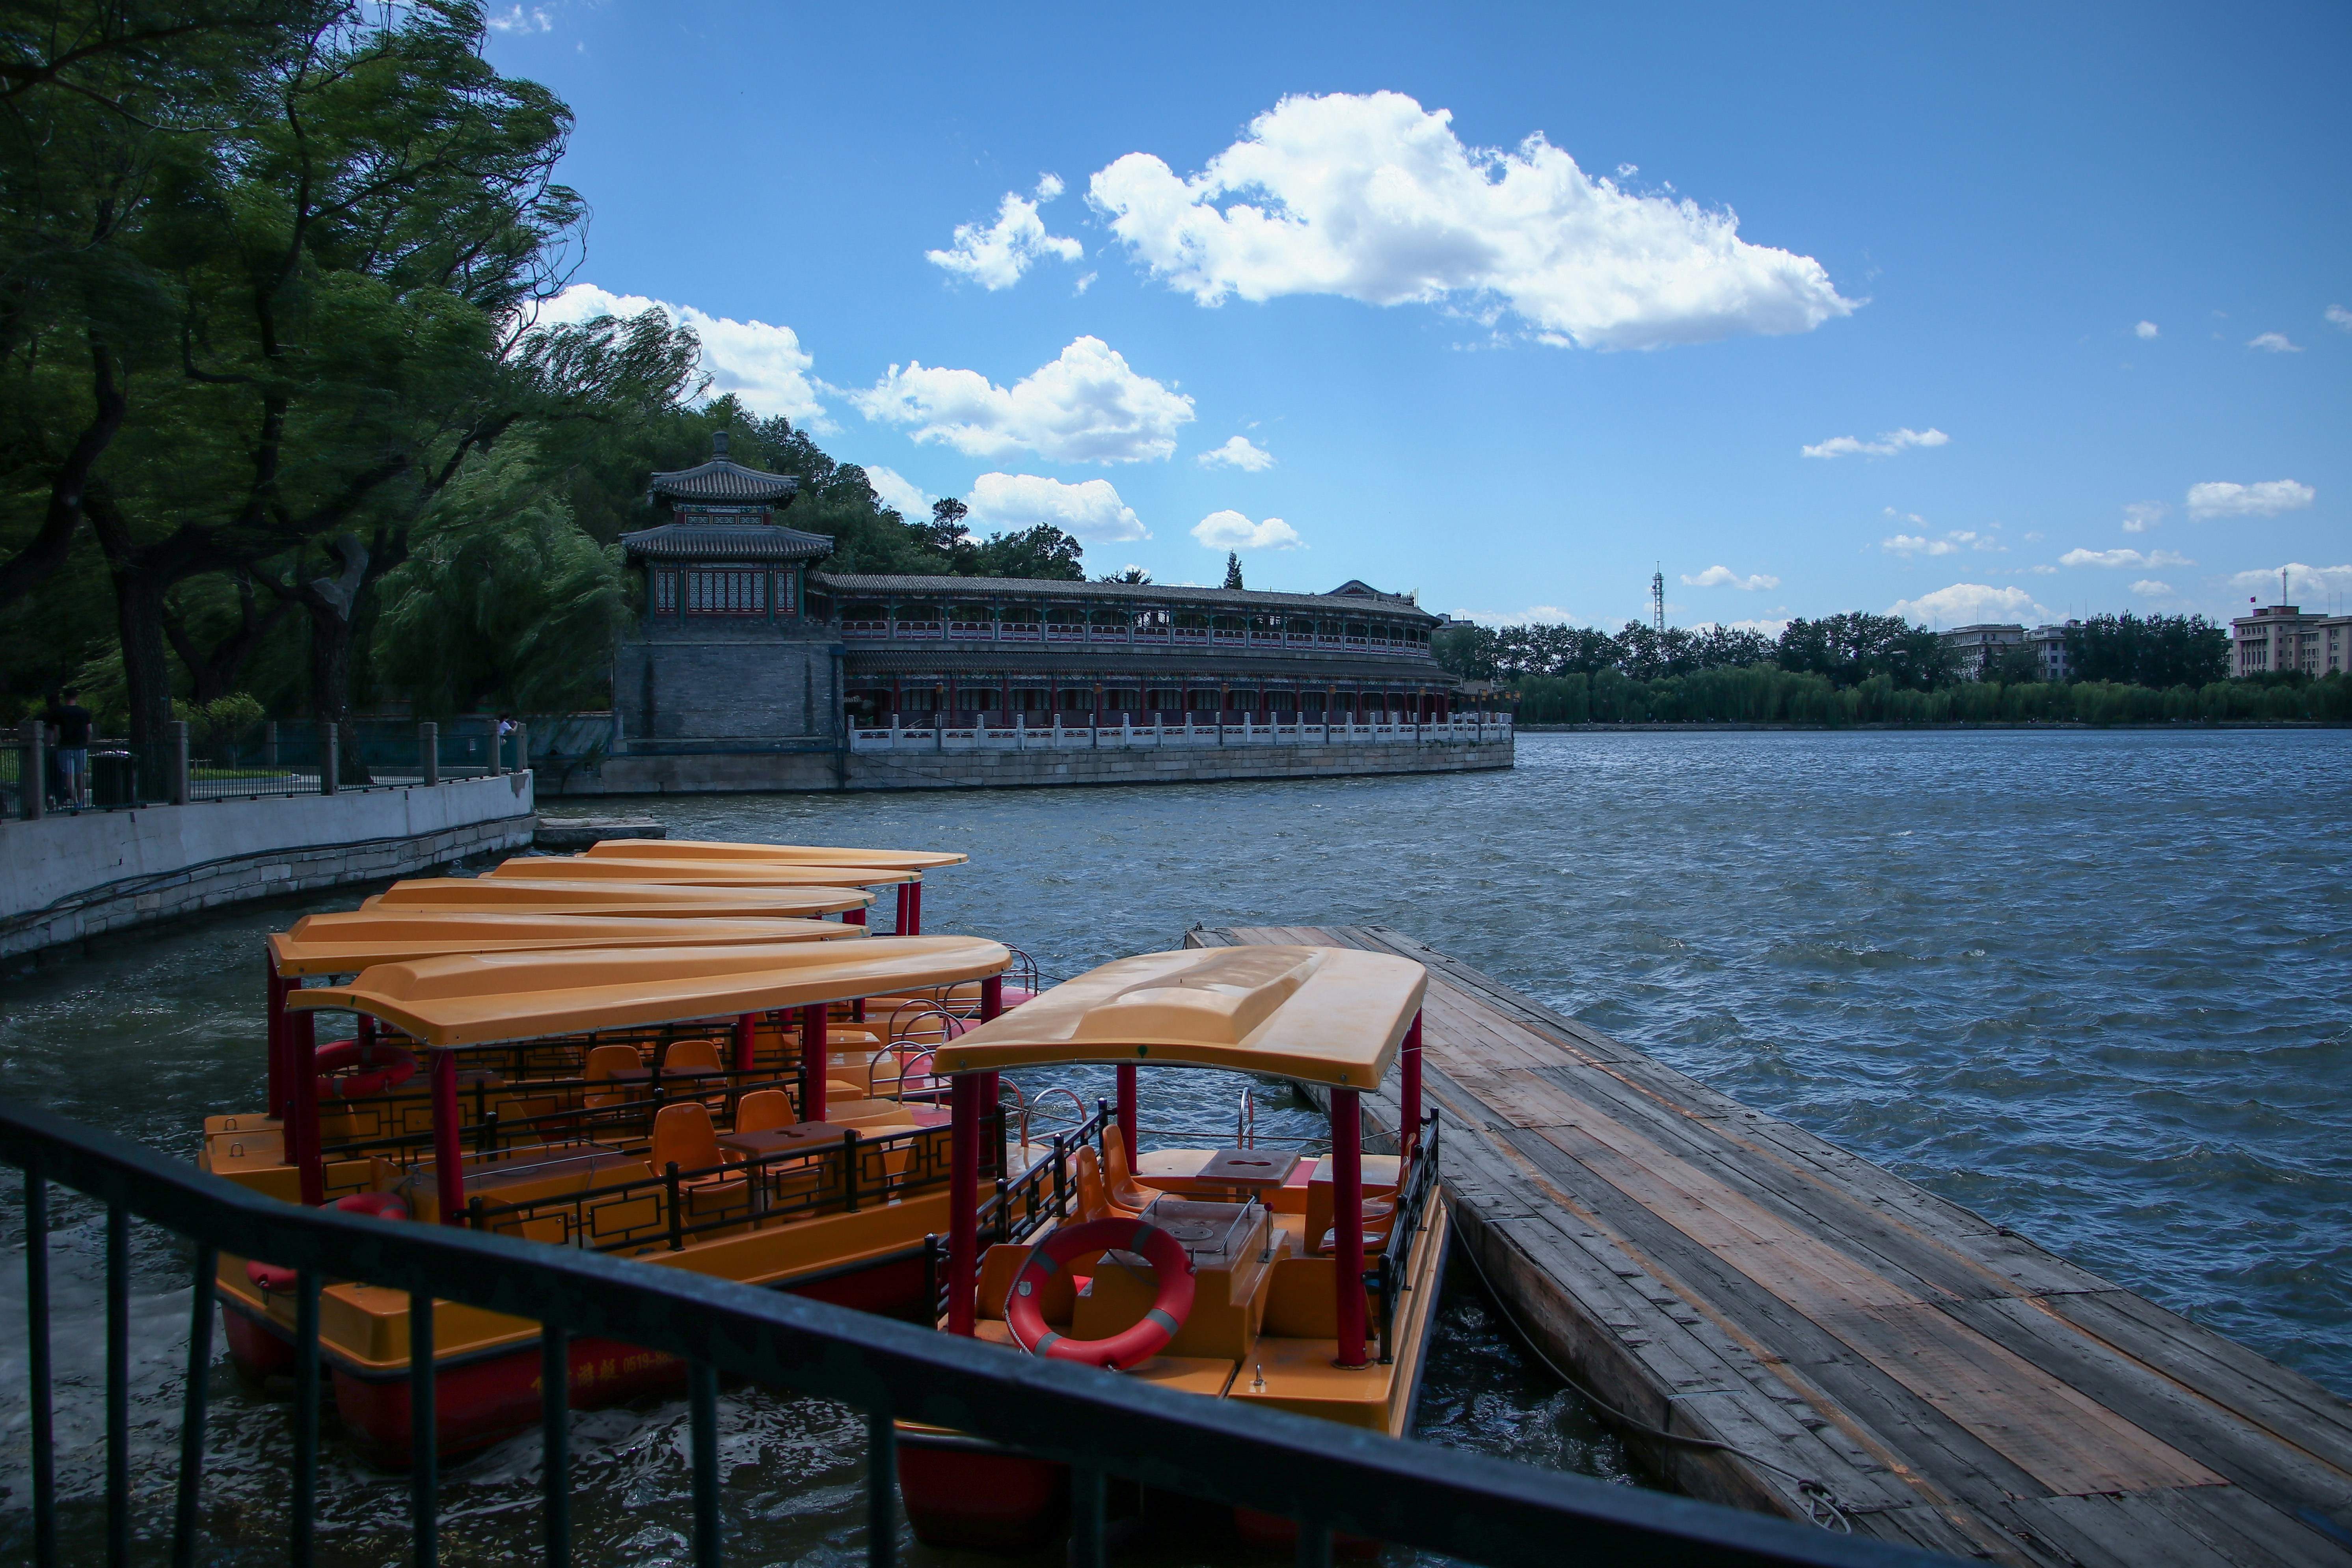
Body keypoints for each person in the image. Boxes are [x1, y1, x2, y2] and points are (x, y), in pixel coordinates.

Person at [48, 687, 93, 812]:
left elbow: (57, 733)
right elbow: (90, 731)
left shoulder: (59, 713)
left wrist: (57, 745)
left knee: (69, 776)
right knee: (80, 775)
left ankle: (76, 802)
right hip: (81, 747)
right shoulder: (84, 713)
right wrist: (86, 744)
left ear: (64, 698)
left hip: (65, 747)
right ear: (77, 697)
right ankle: (82, 801)